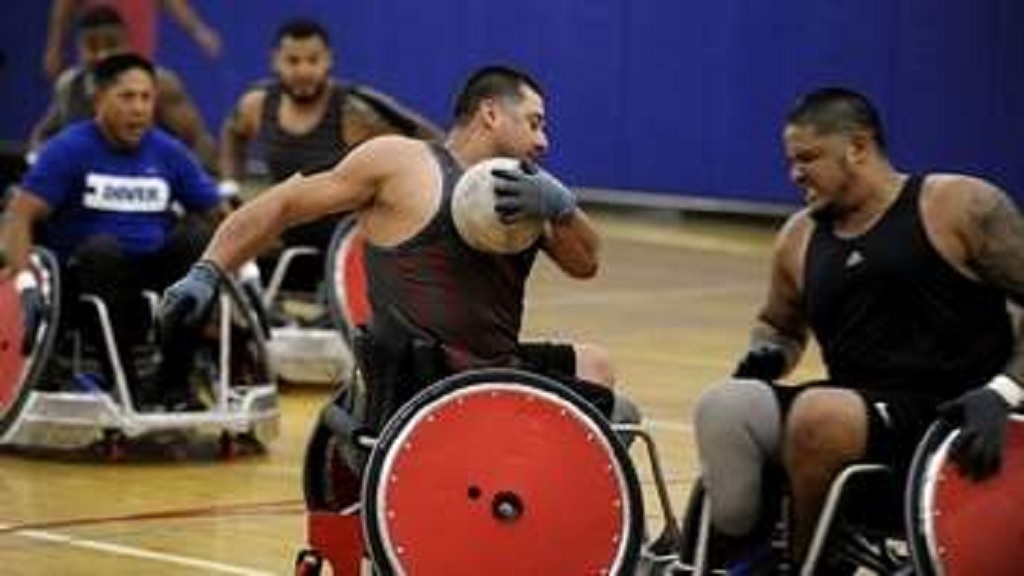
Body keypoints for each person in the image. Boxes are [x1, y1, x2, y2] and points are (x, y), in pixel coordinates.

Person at [162, 64, 639, 425]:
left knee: (597, 365)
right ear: (491, 113)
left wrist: (562, 206)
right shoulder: (401, 163)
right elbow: (284, 204)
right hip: (421, 385)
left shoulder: (528, 189)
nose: (544, 140)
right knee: (621, 415)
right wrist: (209, 270)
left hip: (495, 372)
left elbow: (585, 264)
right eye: (533, 122)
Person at [691, 87, 1024, 572]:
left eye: (808, 157)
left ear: (858, 147)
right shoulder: (798, 236)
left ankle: (810, 564)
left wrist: (1004, 391)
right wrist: (768, 354)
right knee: (725, 405)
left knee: (821, 414)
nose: (795, 173)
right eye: (791, 160)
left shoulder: (956, 204)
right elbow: (777, 325)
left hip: (952, 415)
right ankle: (733, 554)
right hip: (859, 405)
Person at [0, 53, 226, 411]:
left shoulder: (168, 151)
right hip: (88, 276)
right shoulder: (68, 149)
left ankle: (174, 385)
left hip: (151, 271)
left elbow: (218, 214)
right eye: (127, 97)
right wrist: (25, 282)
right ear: (99, 99)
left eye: (146, 98)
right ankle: (126, 385)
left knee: (199, 242)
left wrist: (243, 265)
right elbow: (18, 215)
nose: (138, 109)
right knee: (102, 251)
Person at [218, 17, 442, 293]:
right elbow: (232, 131)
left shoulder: (356, 108)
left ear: (329, 60)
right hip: (290, 223)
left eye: (313, 60)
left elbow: (432, 139)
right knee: (223, 225)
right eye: (293, 61)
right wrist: (229, 185)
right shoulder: (257, 103)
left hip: (346, 228)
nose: (303, 71)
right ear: (275, 60)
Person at [29, 5, 217, 169]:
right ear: (79, 47)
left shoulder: (160, 84)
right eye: (92, 47)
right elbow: (42, 136)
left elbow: (201, 143)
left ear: (127, 44)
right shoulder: (69, 85)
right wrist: (40, 163)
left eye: (112, 45)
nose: (102, 56)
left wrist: (186, 184)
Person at [42, 0, 221, 81]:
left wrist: (199, 30)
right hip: (96, 62)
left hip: (138, 59)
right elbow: (64, 7)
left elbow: (173, 3)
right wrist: (54, 47)